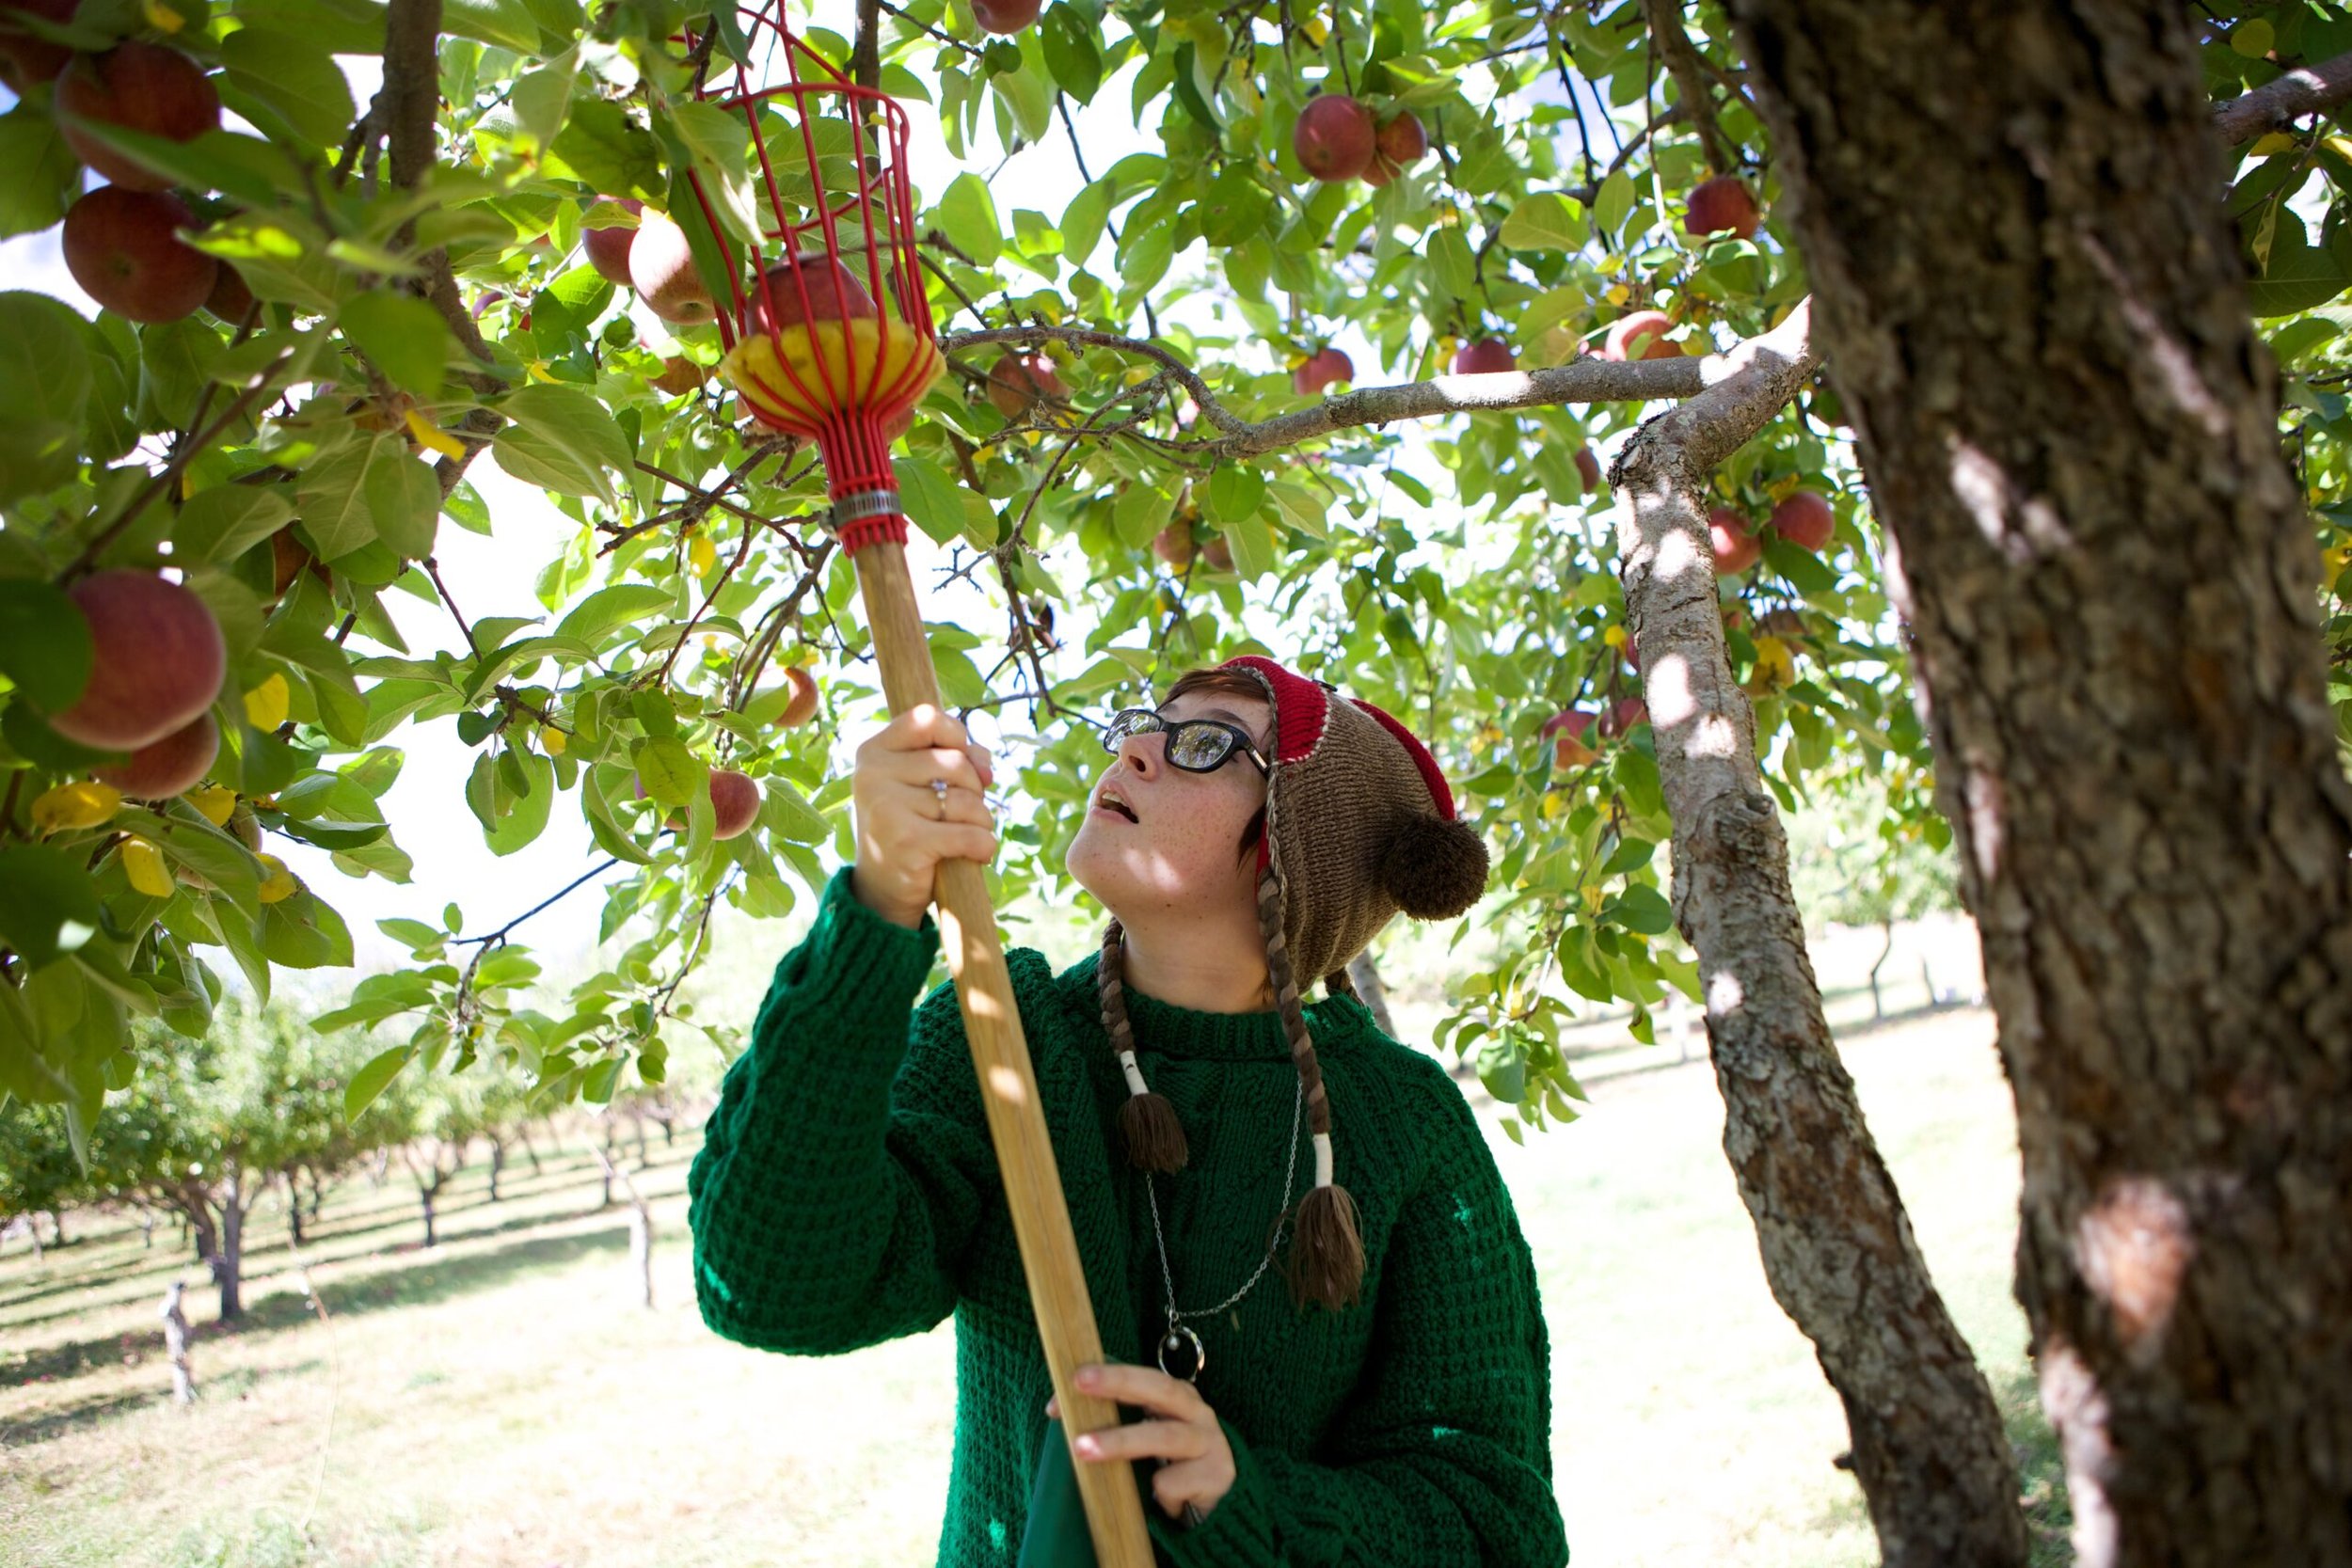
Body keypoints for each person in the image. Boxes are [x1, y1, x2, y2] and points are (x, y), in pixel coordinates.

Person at [687, 654, 1568, 1566]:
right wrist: (875, 910)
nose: (1139, 747)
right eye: (1148, 721)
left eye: (1206, 745)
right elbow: (770, 1287)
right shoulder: (1002, 1036)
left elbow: (1493, 1523)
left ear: (1303, 843)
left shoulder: (1403, 1119)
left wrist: (1252, 1505)